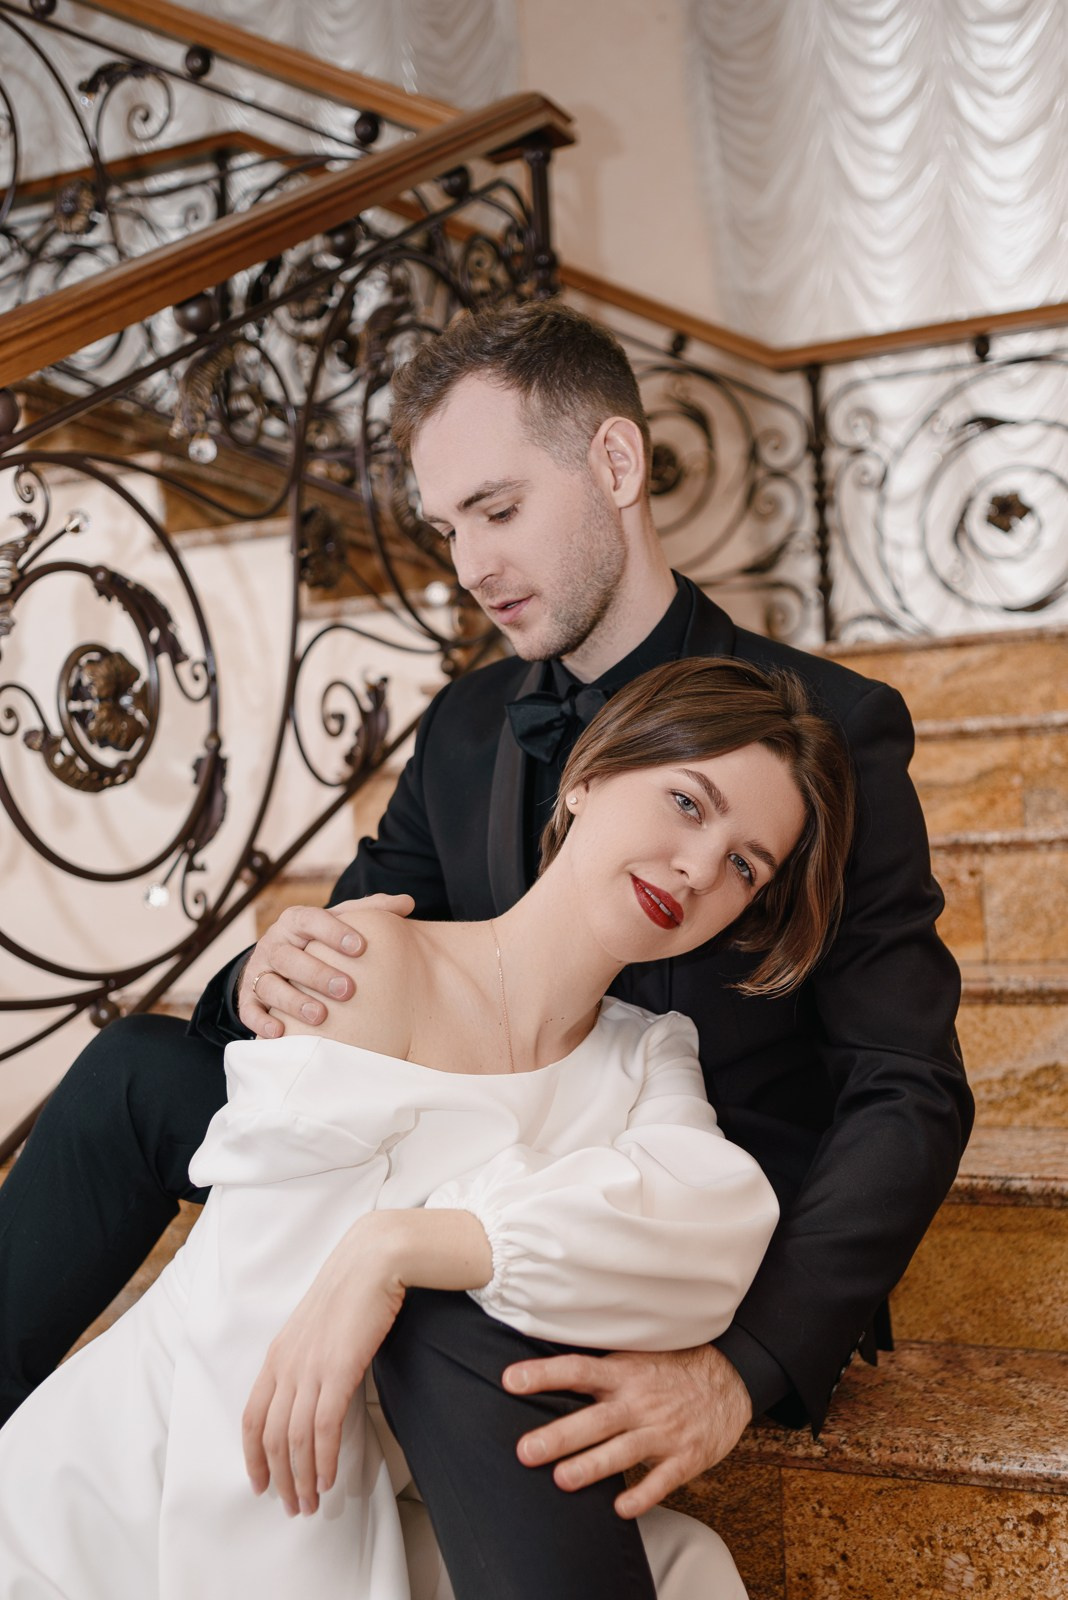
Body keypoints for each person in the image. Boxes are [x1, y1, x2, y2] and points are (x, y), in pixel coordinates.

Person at [0, 302, 972, 1600]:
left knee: (452, 1313)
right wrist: (260, 973)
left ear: (615, 465)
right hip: (448, 1132)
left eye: (498, 509)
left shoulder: (831, 729)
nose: (468, 562)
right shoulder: (467, 723)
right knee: (136, 1070)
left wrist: (744, 1370)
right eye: (447, 526)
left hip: (654, 1202)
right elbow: (348, 959)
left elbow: (907, 1085)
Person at [0, 658, 855, 1599]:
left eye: (744, 866)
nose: (700, 869)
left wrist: (398, 1244)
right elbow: (249, 1383)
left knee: (690, 1565)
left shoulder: (651, 1054)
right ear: (587, 777)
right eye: (688, 803)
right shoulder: (370, 966)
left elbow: (707, 1233)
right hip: (160, 1487)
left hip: (369, 1472)